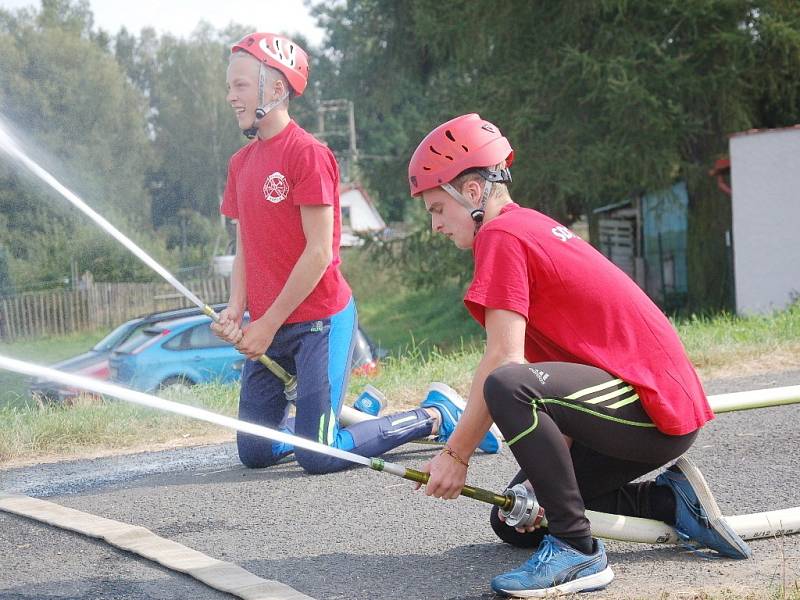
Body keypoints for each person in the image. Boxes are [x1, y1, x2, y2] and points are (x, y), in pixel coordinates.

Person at [407, 113, 751, 597]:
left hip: (650, 409)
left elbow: (505, 364)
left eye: (437, 208)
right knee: (514, 515)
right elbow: (564, 372)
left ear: (471, 191)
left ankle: (578, 552)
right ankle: (669, 501)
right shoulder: (526, 228)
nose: (435, 224)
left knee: (506, 385)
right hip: (641, 404)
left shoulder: (502, 236)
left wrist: (454, 454)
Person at [211, 34, 500, 474]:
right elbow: (245, 245)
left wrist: (266, 325)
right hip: (268, 324)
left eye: (241, 86)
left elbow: (319, 254)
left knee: (317, 455)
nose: (231, 96)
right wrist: (237, 310)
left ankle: (433, 415)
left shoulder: (309, 155)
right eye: (230, 87)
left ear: (275, 88)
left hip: (319, 324)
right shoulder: (240, 164)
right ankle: (344, 413)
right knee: (254, 453)